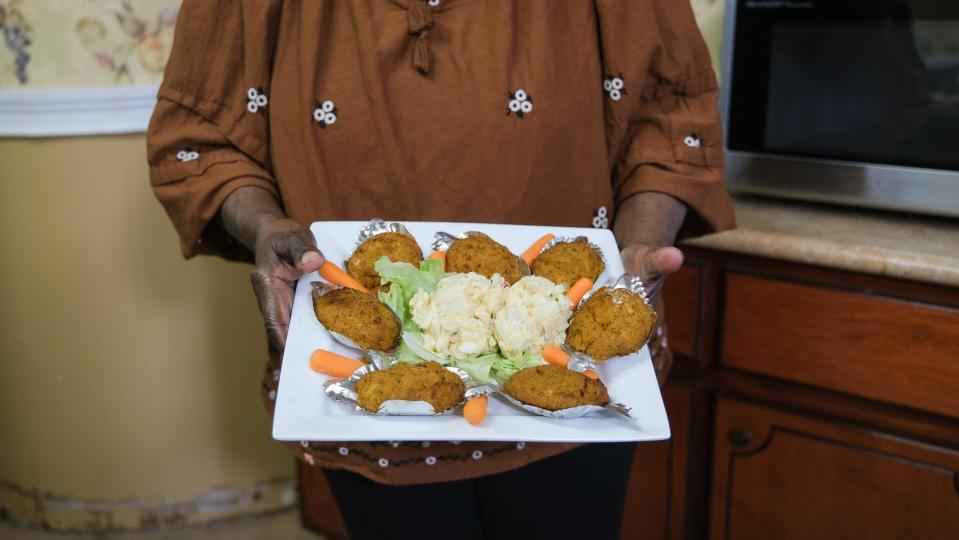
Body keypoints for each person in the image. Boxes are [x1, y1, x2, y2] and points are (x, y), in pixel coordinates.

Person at [147, 1, 734, 538]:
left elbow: (669, 116)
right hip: (360, 384)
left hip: (585, 376)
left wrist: (640, 245)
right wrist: (266, 228)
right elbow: (204, 140)